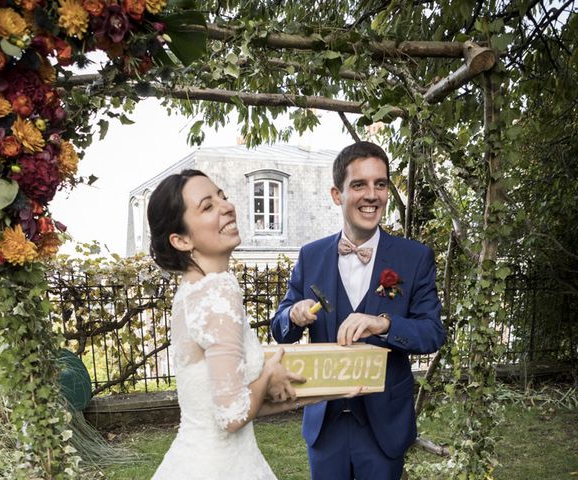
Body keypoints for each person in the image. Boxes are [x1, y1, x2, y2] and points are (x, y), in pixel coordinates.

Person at [147, 169, 357, 480]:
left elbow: (230, 404)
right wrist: (269, 372)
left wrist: (325, 391)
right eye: (207, 206)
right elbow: (232, 415)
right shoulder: (217, 291)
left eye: (223, 196)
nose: (226, 206)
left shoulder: (191, 291)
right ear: (181, 239)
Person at [271, 141, 446, 480]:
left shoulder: (415, 258)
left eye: (380, 184)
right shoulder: (311, 255)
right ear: (337, 194)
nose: (372, 195)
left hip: (384, 426)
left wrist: (383, 324)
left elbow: (432, 332)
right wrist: (293, 315)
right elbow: (279, 328)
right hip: (326, 424)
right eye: (359, 184)